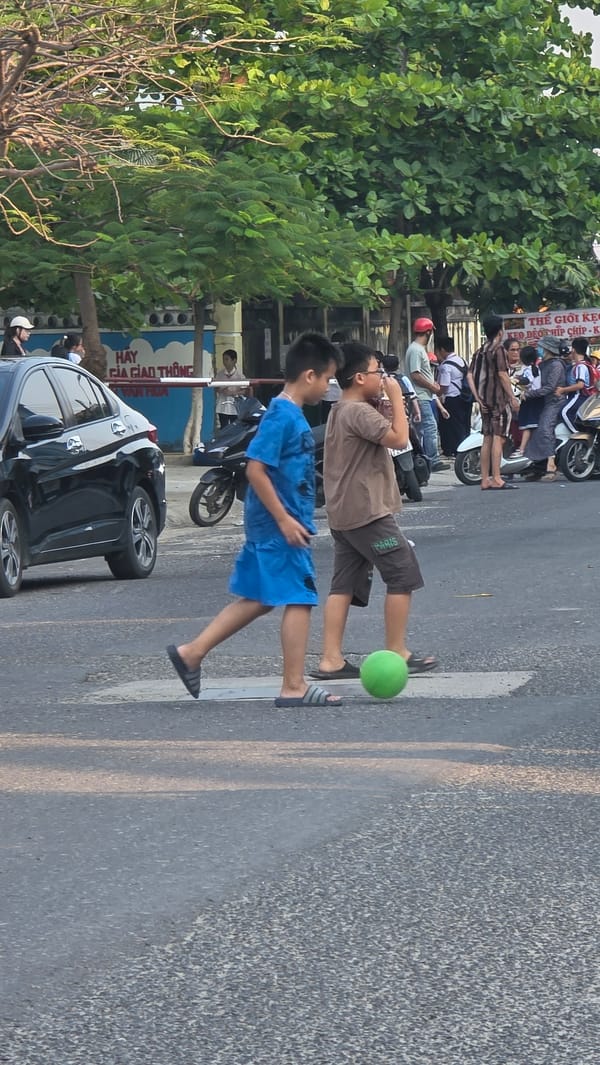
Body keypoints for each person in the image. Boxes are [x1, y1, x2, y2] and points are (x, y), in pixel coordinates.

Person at [166, 332, 343, 706]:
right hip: (280, 525)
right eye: (327, 379)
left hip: (277, 523)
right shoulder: (282, 416)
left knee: (260, 598)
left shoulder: (286, 414)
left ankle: (191, 653)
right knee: (300, 596)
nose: (328, 388)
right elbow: (256, 469)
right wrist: (284, 520)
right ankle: (293, 685)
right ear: (309, 375)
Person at [309, 341, 437, 683]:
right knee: (402, 574)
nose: (384, 377)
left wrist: (382, 399)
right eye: (378, 372)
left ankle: (330, 659)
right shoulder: (359, 412)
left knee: (344, 585)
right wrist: (397, 397)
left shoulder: (341, 409)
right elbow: (398, 439)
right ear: (359, 377)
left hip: (345, 512)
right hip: (368, 514)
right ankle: (397, 650)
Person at [470, 314, 520, 491]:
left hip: (484, 401)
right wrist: (512, 398)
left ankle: (485, 479)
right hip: (498, 400)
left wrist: (477, 396)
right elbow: (502, 374)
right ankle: (497, 478)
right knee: (498, 437)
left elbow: (470, 374)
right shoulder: (498, 350)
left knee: (487, 438)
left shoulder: (480, 350)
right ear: (500, 331)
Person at [405, 317, 449, 472]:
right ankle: (433, 460)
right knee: (430, 427)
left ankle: (420, 460)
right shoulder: (417, 350)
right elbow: (415, 374)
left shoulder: (417, 349)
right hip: (421, 395)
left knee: (419, 430)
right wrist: (433, 387)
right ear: (429, 331)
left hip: (422, 395)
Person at [521, 334, 567, 481]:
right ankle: (538, 465)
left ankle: (551, 464)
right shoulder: (542, 365)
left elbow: (549, 387)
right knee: (533, 429)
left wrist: (529, 394)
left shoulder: (556, 365)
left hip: (554, 402)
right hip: (542, 401)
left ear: (547, 349)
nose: (539, 349)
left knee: (545, 428)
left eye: (541, 347)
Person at [436, 335, 473, 456]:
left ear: (442, 350)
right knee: (464, 424)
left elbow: (444, 385)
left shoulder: (445, 365)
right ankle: (466, 449)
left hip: (451, 399)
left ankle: (454, 450)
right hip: (465, 397)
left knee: (452, 426)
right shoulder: (462, 360)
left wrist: (437, 392)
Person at [511, 345, 543, 457]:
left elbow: (528, 381)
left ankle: (522, 450)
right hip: (536, 400)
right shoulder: (536, 369)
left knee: (527, 426)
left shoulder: (529, 369)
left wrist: (516, 380)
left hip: (530, 400)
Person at [213, 349, 247, 429]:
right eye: (223, 359)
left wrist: (233, 393)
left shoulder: (240, 375)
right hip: (222, 406)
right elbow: (216, 389)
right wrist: (221, 390)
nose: (224, 362)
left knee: (235, 428)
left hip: (235, 406)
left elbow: (244, 391)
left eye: (227, 359)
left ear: (234, 360)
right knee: (223, 427)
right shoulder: (220, 374)